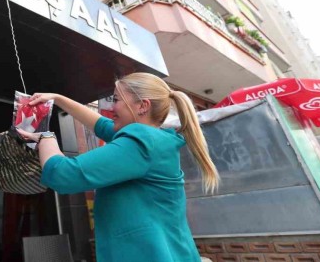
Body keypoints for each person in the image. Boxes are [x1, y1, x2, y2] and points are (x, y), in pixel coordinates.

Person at [18, 73, 219, 262]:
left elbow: (63, 175)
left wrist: (46, 138)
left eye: (116, 100)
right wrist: (58, 99)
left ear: (142, 106)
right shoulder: (153, 139)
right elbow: (101, 125)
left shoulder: (142, 143)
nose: (111, 107)